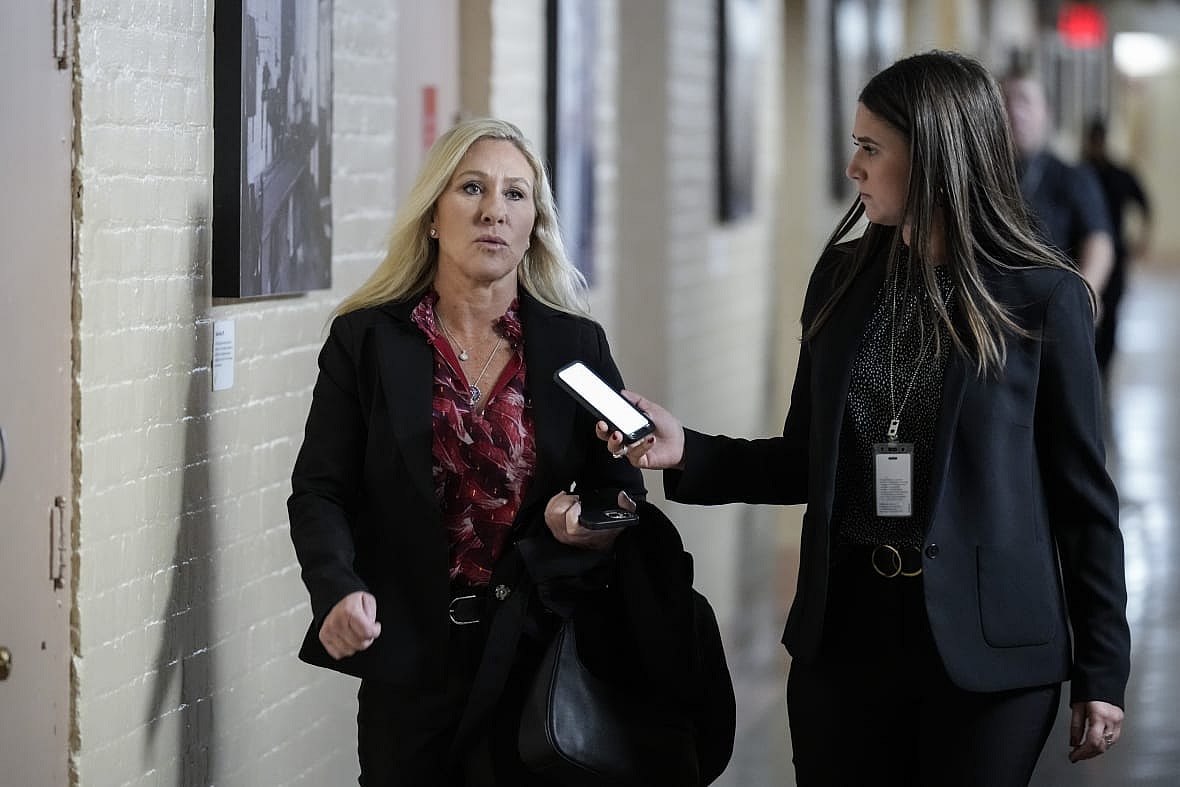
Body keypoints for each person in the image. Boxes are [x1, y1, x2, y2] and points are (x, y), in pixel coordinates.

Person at [601, 51, 1130, 785]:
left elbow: (1083, 499)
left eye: (870, 148)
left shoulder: (1041, 297)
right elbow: (806, 456)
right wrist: (687, 448)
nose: (853, 167)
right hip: (847, 633)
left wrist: (1102, 662)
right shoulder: (843, 276)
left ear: (935, 157)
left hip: (990, 652)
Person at [287, 117, 647, 785]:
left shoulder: (576, 346)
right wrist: (336, 588)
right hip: (411, 664)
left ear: (533, 220)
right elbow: (321, 490)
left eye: (515, 194)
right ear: (432, 215)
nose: (493, 211)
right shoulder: (366, 342)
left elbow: (626, 490)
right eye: (472, 188)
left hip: (539, 660)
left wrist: (586, 522)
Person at [1001, 65, 1115, 300]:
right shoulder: (982, 177)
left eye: (1024, 101)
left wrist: (1085, 296)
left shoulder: (1073, 177)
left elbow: (1099, 241)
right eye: (1005, 101)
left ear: (1047, 112)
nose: (1014, 112)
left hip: (1051, 311)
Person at [1082, 115, 1153, 376]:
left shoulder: (1119, 174)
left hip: (1115, 254)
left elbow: (1144, 205)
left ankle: (1103, 366)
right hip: (1083, 255)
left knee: (1111, 311)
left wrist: (1142, 240)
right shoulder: (1079, 174)